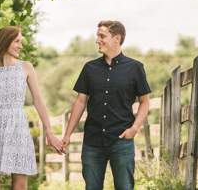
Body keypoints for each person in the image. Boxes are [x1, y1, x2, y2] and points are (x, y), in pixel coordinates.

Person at [61, 21, 151, 190]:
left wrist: (134, 128)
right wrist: (67, 135)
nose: (97, 40)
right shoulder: (90, 68)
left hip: (122, 140)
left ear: (117, 38)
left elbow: (144, 102)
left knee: (124, 187)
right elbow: (80, 102)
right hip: (92, 141)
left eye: (102, 36)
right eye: (97, 36)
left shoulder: (135, 68)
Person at [0, 26, 65, 190]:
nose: (20, 46)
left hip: (18, 129)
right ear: (5, 41)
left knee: (19, 187)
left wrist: (49, 132)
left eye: (21, 42)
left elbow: (38, 101)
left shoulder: (26, 67)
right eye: (17, 41)